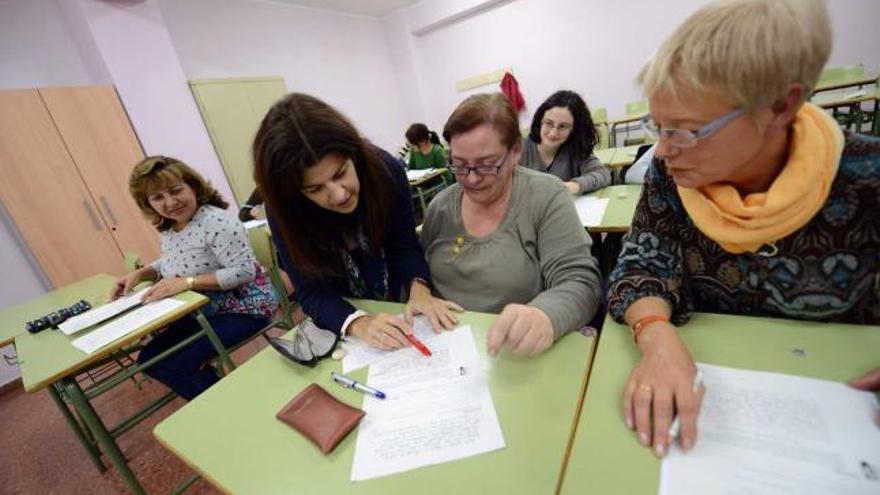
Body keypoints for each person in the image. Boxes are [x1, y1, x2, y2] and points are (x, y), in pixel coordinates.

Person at [607, 0, 880, 459]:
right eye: (659, 126)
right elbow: (640, 262)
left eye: (687, 130)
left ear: (780, 105)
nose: (664, 149)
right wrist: (656, 335)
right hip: (717, 398)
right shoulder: (672, 174)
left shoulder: (865, 176)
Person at [253, 93, 461, 349]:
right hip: (340, 317)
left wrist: (419, 289)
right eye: (315, 189)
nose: (339, 195)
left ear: (354, 154)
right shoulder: (284, 210)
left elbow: (404, 245)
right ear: (294, 195)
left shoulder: (385, 170)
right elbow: (310, 291)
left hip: (393, 297)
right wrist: (358, 323)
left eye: (341, 173)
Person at [420, 93, 602, 357]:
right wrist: (420, 292)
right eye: (459, 165)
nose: (471, 179)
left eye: (486, 165)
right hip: (444, 351)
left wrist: (544, 315)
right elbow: (418, 271)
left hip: (514, 350)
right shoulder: (441, 206)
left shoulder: (545, 195)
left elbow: (580, 281)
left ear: (516, 151)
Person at [111, 156, 278, 400]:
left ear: (193, 186)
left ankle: (231, 407)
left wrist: (187, 283)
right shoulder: (172, 227)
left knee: (173, 366)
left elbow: (244, 272)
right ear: (148, 203)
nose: (170, 202)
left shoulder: (216, 222)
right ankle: (212, 388)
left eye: (176, 190)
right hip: (205, 308)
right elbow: (174, 262)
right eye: (158, 197)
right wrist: (141, 273)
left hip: (246, 307)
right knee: (148, 360)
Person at [520, 90, 611, 194]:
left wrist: (574, 186)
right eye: (548, 123)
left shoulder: (576, 150)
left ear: (573, 130)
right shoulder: (520, 149)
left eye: (562, 126)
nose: (553, 133)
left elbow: (603, 174)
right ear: (540, 121)